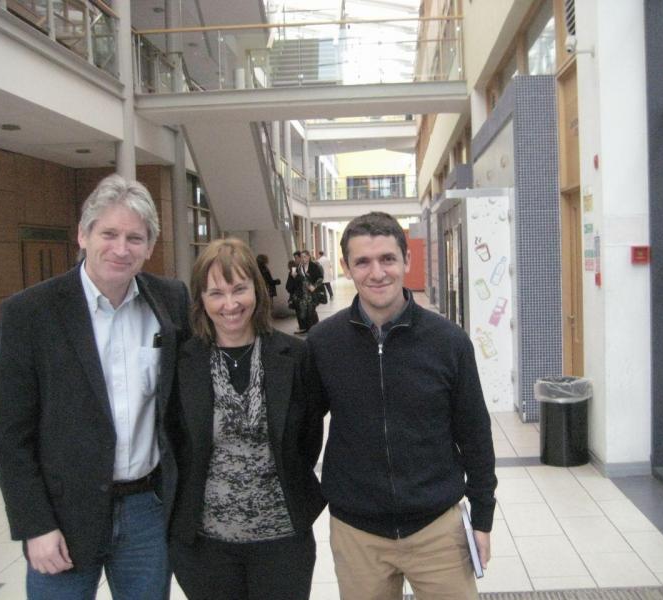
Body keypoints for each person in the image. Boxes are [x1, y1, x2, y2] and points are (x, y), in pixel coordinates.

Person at [0, 173, 190, 600]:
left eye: (135, 238)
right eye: (109, 233)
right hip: (62, 518)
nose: (121, 249)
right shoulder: (30, 314)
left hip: (147, 513)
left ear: (150, 248)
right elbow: (11, 435)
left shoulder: (171, 302)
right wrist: (35, 525)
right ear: (83, 235)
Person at [306, 212, 497, 600]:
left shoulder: (448, 342)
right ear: (346, 268)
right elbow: (301, 431)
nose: (377, 273)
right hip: (358, 533)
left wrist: (482, 517)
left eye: (387, 259)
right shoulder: (324, 344)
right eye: (363, 261)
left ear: (406, 261)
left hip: (437, 528)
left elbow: (475, 434)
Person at [168, 238, 325, 600]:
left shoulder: (295, 356)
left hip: (283, 541)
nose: (230, 304)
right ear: (201, 300)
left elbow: (308, 437)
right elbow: (175, 440)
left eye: (239, 289)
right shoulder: (182, 362)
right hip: (204, 546)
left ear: (257, 289)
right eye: (216, 293)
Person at [291, 250, 323, 335]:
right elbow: (299, 280)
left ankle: (316, 329)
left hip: (312, 293)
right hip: (303, 293)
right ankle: (308, 329)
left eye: (305, 257)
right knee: (304, 311)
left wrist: (314, 286)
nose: (303, 259)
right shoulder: (299, 267)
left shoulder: (314, 266)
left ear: (308, 257)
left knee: (311, 311)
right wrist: (294, 276)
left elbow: (320, 278)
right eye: (302, 257)